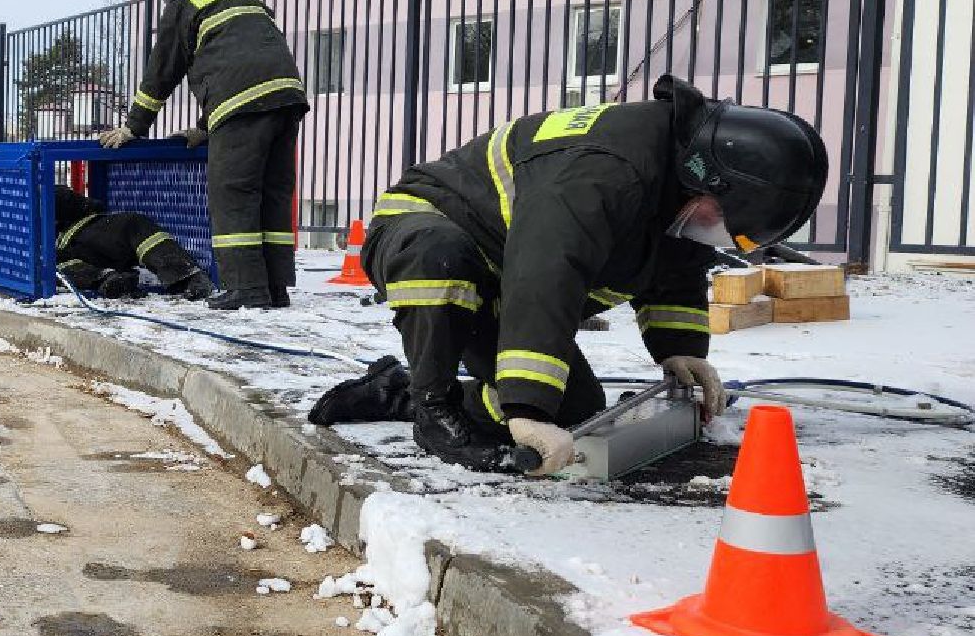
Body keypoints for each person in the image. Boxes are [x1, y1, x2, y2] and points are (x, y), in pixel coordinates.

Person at [307, 75, 829, 476]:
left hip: (504, 270)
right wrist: (526, 404)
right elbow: (546, 272)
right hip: (428, 226)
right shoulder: (603, 172)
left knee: (577, 407)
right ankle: (432, 407)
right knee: (442, 259)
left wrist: (680, 348)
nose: (718, 238)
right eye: (724, 224)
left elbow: (675, 264)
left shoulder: (673, 174)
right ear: (708, 181)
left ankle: (394, 391)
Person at [99, 0, 307, 311]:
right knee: (273, 193)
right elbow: (238, 60)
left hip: (241, 105)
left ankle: (246, 289)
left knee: (233, 193)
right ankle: (275, 288)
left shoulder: (185, 2)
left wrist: (133, 126)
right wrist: (203, 128)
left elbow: (162, 72)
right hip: (287, 97)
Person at [53, 186, 215, 300]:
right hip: (77, 255)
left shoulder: (42, 194)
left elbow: (80, 204)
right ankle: (109, 279)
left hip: (94, 229)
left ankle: (186, 274)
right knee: (52, 260)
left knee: (134, 224)